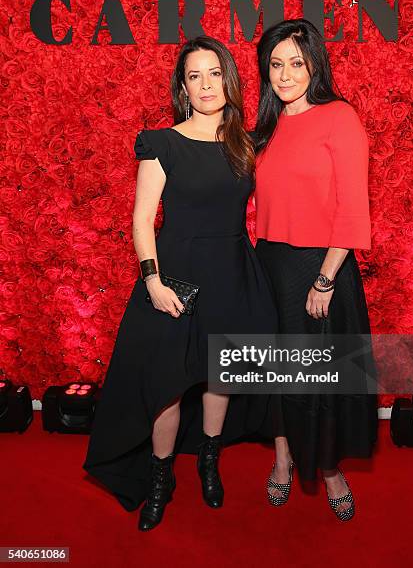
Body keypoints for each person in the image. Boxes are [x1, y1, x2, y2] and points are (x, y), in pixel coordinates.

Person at [82, 35, 278, 531]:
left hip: (232, 272)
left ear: (228, 81)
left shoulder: (247, 142)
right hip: (174, 278)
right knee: (167, 385)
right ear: (183, 87)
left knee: (220, 374)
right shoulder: (161, 142)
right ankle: (159, 477)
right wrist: (152, 281)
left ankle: (209, 462)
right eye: (195, 76)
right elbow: (142, 219)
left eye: (215, 73)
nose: (207, 84)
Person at [253, 19, 378, 521]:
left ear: (314, 66)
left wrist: (324, 279)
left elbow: (353, 208)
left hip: (322, 267)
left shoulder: (339, 117)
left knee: (321, 379)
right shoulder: (266, 125)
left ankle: (329, 469)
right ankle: (282, 456)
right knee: (276, 375)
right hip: (270, 265)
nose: (284, 75)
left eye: (296, 64)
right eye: (275, 64)